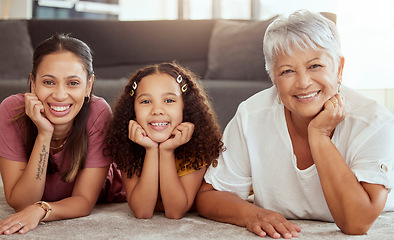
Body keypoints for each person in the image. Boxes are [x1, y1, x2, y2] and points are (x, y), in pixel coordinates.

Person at [196, 10, 394, 239]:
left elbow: (356, 223)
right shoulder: (251, 115)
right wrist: (251, 214)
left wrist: (319, 135)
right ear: (272, 77)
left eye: (315, 66)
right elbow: (210, 195)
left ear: (339, 68)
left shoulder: (373, 122)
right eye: (287, 71)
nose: (303, 83)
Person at [0, 33, 125, 235]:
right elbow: (22, 203)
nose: (59, 95)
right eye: (49, 82)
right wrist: (44, 133)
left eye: (73, 83)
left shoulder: (98, 111)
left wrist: (41, 209)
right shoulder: (11, 111)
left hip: (114, 191)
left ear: (89, 85)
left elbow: (84, 201)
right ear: (33, 83)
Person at [105, 62, 223, 219]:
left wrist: (167, 150)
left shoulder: (200, 143)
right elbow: (142, 211)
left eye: (169, 100)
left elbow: (175, 211)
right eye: (146, 101)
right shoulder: (127, 144)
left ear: (185, 107)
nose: (157, 110)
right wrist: (151, 150)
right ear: (133, 110)